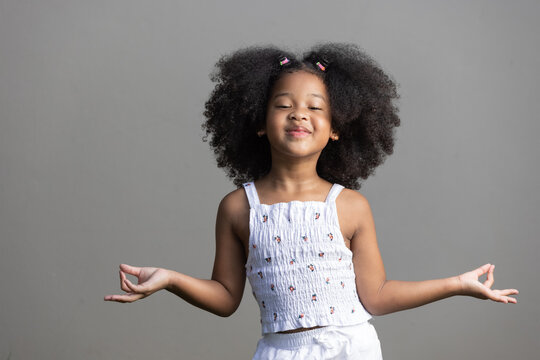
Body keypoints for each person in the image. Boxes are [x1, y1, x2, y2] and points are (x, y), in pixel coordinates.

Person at [104, 43, 518, 359]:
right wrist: (172, 280)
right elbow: (226, 297)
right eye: (283, 105)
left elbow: (375, 295)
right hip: (279, 351)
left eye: (314, 108)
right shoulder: (237, 208)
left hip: (351, 348)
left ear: (336, 129)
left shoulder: (351, 206)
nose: (299, 114)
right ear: (260, 124)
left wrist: (456, 285)